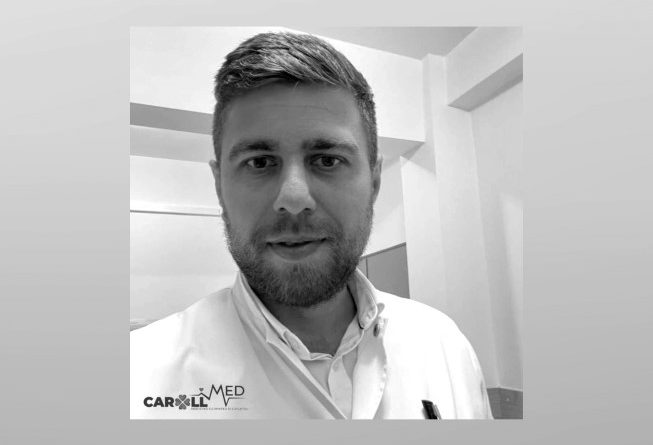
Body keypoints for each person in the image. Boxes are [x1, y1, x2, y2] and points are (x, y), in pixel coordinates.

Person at [130, 31, 493, 419]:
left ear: (374, 181)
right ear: (220, 187)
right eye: (259, 162)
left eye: (327, 160)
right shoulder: (138, 379)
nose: (293, 198)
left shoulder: (444, 347)